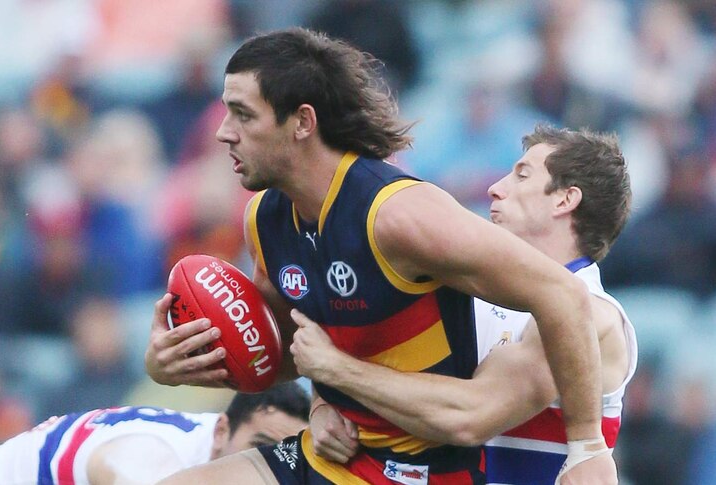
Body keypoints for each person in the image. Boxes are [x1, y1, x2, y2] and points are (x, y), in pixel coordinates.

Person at [147, 28, 610, 484]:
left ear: (303, 123)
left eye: (243, 115)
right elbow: (288, 353)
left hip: (423, 474)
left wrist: (587, 446)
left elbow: (563, 294)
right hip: (327, 457)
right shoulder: (263, 220)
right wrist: (187, 365)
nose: (224, 133)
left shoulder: (399, 215)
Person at [301, 125, 637, 485]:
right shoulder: (464, 290)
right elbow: (364, 355)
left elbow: (467, 417)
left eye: (521, 176)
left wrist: (335, 370)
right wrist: (322, 406)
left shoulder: (592, 316)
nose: (496, 187)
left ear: (564, 200)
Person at [0, 381, 310, 485]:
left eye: (280, 459)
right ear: (222, 430)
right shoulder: (160, 449)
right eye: (259, 448)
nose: (264, 467)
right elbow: (123, 467)